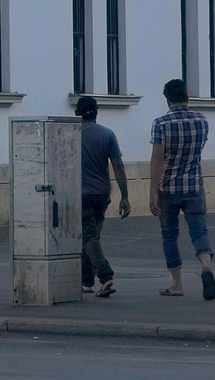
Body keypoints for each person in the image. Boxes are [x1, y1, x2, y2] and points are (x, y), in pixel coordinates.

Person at [149, 78, 215, 300]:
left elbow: (158, 158)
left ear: (167, 100)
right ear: (186, 96)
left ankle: (177, 284)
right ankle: (206, 265)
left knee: (169, 235)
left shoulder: (161, 123)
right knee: (199, 231)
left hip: (169, 188)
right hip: (194, 185)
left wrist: (153, 191)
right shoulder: (203, 121)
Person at [76, 95, 130, 297]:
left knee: (88, 237)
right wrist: (124, 197)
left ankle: (105, 277)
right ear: (97, 112)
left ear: (77, 113)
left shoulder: (72, 135)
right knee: (91, 238)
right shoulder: (108, 134)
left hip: (81, 193)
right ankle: (86, 281)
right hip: (102, 193)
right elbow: (118, 165)